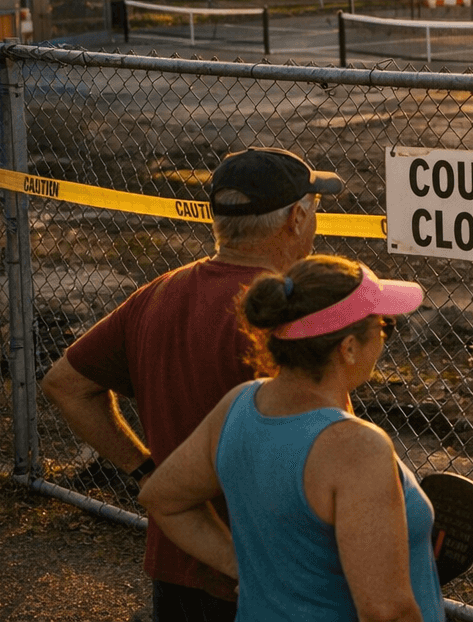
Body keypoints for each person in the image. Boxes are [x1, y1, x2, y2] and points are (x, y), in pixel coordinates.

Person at [41, 147, 344, 621]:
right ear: (297, 218)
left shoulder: (158, 293)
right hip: (273, 569)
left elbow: (64, 384)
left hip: (179, 557)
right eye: (314, 207)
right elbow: (330, 453)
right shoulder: (292, 316)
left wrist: (146, 470)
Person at [139, 255, 445, 622]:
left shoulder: (238, 406)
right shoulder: (357, 448)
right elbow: (386, 612)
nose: (383, 338)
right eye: (384, 326)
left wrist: (241, 567)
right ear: (348, 347)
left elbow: (163, 498)